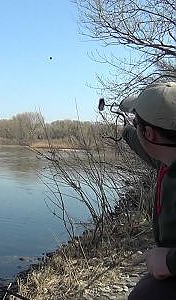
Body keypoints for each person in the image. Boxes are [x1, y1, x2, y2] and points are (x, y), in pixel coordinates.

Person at [119, 81, 176, 299]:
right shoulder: (168, 159)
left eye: (137, 122)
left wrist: (169, 262)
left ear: (150, 134)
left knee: (145, 293)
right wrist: (127, 130)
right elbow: (149, 149)